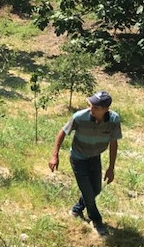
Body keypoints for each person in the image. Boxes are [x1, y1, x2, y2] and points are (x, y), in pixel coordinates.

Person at [49, 90, 122, 236]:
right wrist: (54, 155)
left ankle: (77, 209)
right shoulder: (79, 117)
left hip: (95, 157)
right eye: (91, 105)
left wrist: (111, 168)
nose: (91, 109)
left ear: (106, 109)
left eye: (96, 107)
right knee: (88, 191)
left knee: (96, 189)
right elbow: (62, 132)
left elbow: (114, 144)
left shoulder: (113, 120)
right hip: (78, 157)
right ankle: (96, 220)